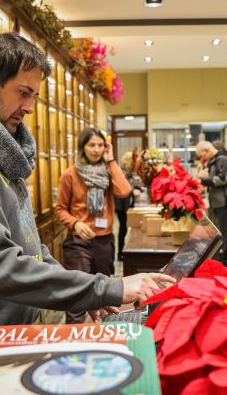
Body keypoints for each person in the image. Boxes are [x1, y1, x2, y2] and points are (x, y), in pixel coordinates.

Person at [0, 34, 174, 356]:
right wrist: (108, 288)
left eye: (34, 96)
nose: (30, 108)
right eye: (23, 93)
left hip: (3, 334)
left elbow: (28, 248)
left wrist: (90, 294)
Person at [54, 128, 132, 324]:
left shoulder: (108, 172)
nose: (96, 150)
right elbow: (60, 209)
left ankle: (104, 337)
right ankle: (73, 344)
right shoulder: (70, 175)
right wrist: (75, 223)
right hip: (78, 242)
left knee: (104, 294)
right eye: (91, 145)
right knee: (77, 296)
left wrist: (111, 160)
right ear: (83, 147)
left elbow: (124, 191)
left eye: (100, 145)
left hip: (104, 242)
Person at [196, 140, 227, 267]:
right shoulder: (216, 159)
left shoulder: (223, 159)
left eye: (201, 155)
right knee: (219, 229)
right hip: (218, 201)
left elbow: (221, 179)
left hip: (224, 201)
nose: (202, 158)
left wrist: (203, 180)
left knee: (224, 230)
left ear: (207, 150)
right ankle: (222, 256)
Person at [113, 150, 140, 262]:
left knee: (124, 227)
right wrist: (133, 190)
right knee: (123, 227)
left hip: (125, 203)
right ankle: (120, 253)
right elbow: (124, 188)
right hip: (121, 204)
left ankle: (122, 251)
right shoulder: (122, 172)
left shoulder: (127, 172)